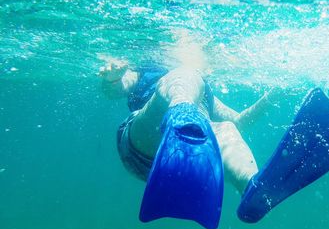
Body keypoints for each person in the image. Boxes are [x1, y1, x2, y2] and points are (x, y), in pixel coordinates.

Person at [98, 30, 273, 194]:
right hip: (141, 153)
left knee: (227, 129)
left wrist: (273, 96)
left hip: (183, 165)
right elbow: (117, 90)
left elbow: (239, 121)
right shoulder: (147, 72)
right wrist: (112, 80)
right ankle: (181, 112)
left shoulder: (204, 91)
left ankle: (251, 186)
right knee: (182, 77)